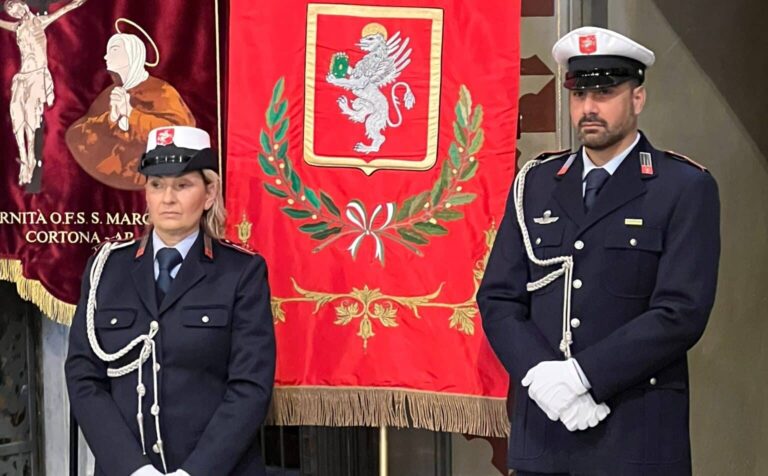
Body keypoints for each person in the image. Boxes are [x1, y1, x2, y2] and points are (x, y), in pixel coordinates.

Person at [477, 26, 720, 476]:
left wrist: (583, 376)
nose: (588, 107)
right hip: (545, 436)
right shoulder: (536, 184)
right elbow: (498, 298)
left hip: (635, 438)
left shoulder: (682, 187)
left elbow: (681, 312)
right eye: (579, 94)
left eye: (605, 93)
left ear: (637, 98)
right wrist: (543, 377)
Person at [65, 126, 275, 475]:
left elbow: (250, 387)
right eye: (157, 185)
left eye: (182, 185)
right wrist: (134, 469)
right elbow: (84, 377)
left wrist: (194, 473)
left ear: (209, 194)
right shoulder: (106, 269)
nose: (167, 198)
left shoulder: (241, 272)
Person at [66, 31, 196, 190]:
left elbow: (179, 133)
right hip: (110, 180)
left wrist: (130, 114)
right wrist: (111, 118)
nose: (106, 57)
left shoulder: (162, 92)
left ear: (132, 54)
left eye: (114, 50)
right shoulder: (110, 93)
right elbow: (80, 132)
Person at [0, 0, 87, 185]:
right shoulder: (17, 27)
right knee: (17, 116)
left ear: (23, 5)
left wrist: (74, 4)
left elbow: (63, 10)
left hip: (36, 76)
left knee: (30, 119)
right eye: (12, 11)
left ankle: (31, 159)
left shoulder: (40, 21)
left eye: (16, 7)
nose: (16, 12)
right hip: (22, 77)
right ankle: (24, 158)